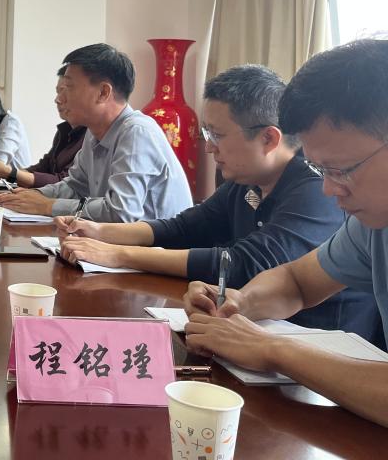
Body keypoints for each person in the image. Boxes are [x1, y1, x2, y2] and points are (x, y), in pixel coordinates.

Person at [55, 65, 378, 338]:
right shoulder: (246, 182)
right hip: (261, 336)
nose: (208, 147)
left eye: (216, 135)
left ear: (268, 138)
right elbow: (185, 228)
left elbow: (244, 264)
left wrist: (119, 254)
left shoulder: (314, 189)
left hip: (314, 350)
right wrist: (101, 232)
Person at [183, 39, 388, 427]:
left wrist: (272, 350)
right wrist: (239, 303)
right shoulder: (372, 226)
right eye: (320, 170)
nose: (328, 189)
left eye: (341, 170)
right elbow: (297, 282)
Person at [0, 43, 191, 221]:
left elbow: (121, 213)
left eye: (68, 87)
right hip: (115, 243)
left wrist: (48, 206)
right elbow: (75, 187)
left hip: (160, 246)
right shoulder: (93, 132)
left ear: (103, 93)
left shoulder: (136, 133)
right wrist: (33, 196)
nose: (59, 99)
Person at [0, 68, 86, 187]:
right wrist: (8, 174)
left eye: (65, 91)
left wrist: (9, 173)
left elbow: (66, 183)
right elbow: (44, 166)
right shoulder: (65, 130)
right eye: (58, 92)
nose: (57, 99)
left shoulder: (90, 136)